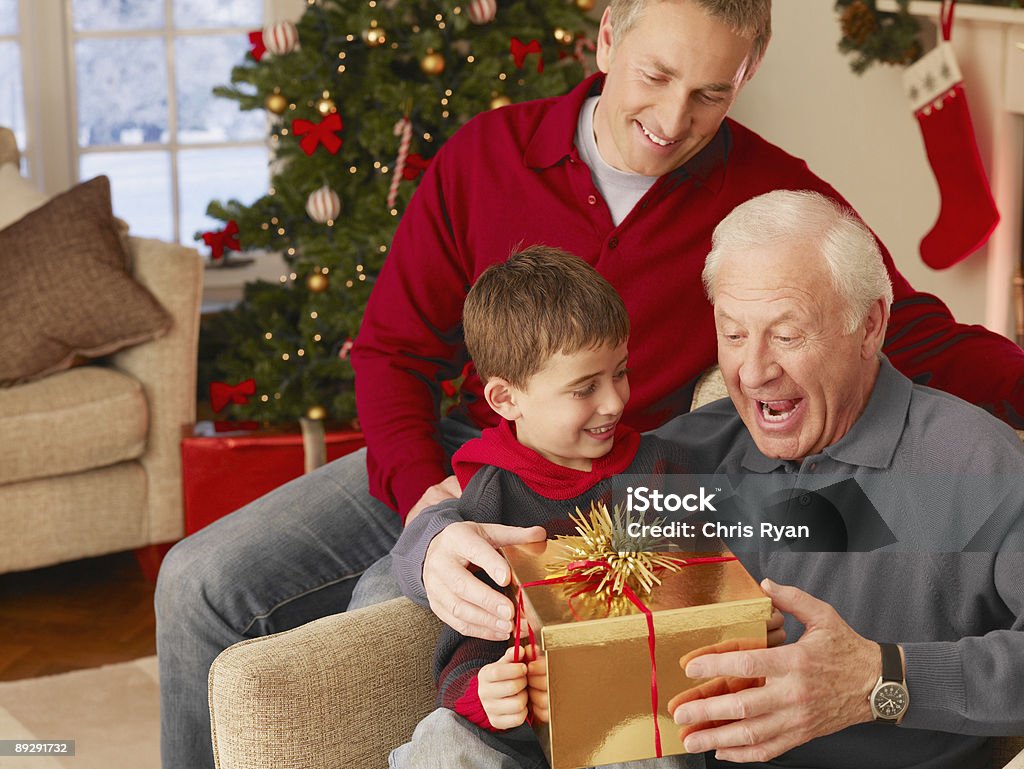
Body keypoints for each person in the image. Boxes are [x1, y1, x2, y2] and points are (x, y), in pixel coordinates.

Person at [154, 2, 1024, 766]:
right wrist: (426, 507)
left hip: (612, 472)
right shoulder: (485, 155)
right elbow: (390, 351)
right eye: (657, 75)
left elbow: (904, 327)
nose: (676, 117)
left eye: (713, 94)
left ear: (744, 81)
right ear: (608, 38)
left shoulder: (765, 192)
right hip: (461, 450)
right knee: (198, 583)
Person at [398, 189, 1024, 769]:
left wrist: (881, 680)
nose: (752, 373)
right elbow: (506, 506)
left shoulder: (976, 466)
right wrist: (428, 547)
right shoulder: (685, 460)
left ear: (870, 326)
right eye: (732, 334)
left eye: (786, 334)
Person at [392, 245, 716, 769]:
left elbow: (707, 597)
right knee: (439, 738)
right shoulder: (486, 500)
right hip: (519, 734)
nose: (613, 401)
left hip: (631, 717)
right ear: (505, 400)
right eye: (584, 388)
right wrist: (484, 694)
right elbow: (466, 647)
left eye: (620, 373)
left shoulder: (664, 471)